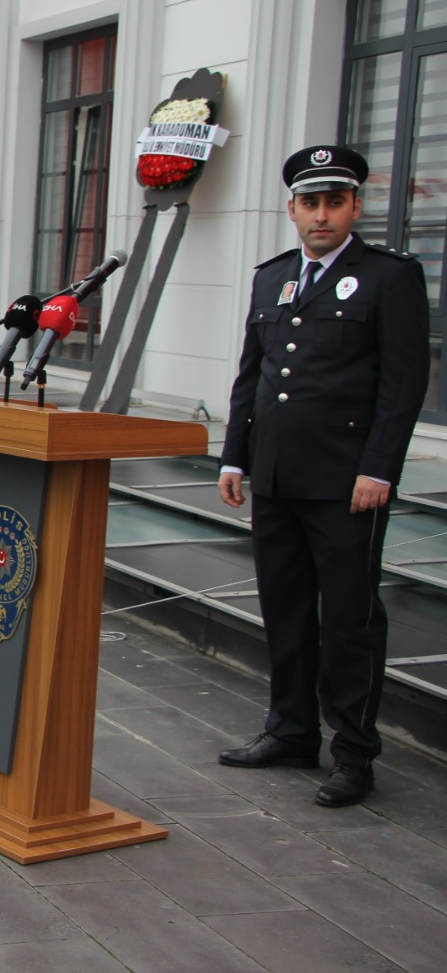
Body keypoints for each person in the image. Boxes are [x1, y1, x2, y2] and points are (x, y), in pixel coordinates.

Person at [217, 145, 429, 808]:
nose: (321, 215)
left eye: (335, 202)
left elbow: (403, 385)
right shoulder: (272, 277)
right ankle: (290, 730)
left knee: (349, 621)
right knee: (284, 612)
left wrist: (379, 469)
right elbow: (252, 375)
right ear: (293, 210)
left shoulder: (390, 277)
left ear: (355, 207)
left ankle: (354, 754)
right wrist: (234, 455)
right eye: (310, 203)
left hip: (346, 484)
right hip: (277, 476)